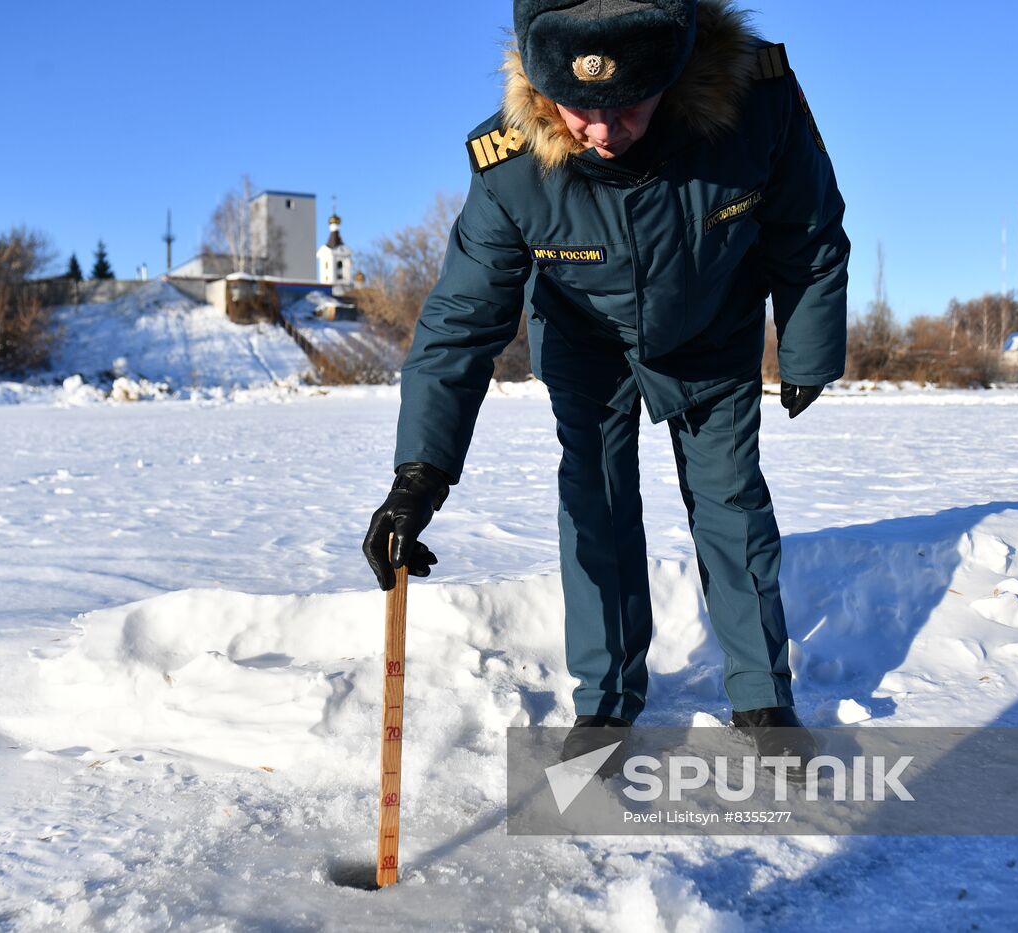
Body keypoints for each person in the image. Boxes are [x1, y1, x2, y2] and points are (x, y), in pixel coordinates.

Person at [362, 0, 847, 771]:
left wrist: (809, 347)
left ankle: (762, 694)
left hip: (713, 327)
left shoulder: (756, 104)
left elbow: (810, 230)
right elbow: (460, 322)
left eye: (625, 105)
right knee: (596, 502)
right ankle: (606, 701)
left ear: (677, 70)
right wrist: (419, 473)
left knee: (731, 500)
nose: (600, 129)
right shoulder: (511, 166)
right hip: (586, 340)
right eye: (577, 106)